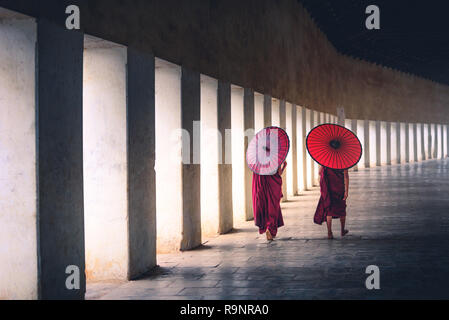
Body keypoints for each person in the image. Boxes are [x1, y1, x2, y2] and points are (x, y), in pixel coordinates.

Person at [252, 161, 287, 241]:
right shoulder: (275, 152)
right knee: (273, 204)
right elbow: (280, 171)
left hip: (260, 177)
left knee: (263, 203)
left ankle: (267, 227)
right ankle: (270, 228)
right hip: (273, 178)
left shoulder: (256, 154)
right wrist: (283, 166)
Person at [314, 166, 349, 239]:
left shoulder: (326, 161)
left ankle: (329, 232)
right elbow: (346, 176)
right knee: (341, 209)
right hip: (340, 188)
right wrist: (346, 191)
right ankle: (342, 230)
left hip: (329, 189)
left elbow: (320, 173)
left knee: (329, 209)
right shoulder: (343, 162)